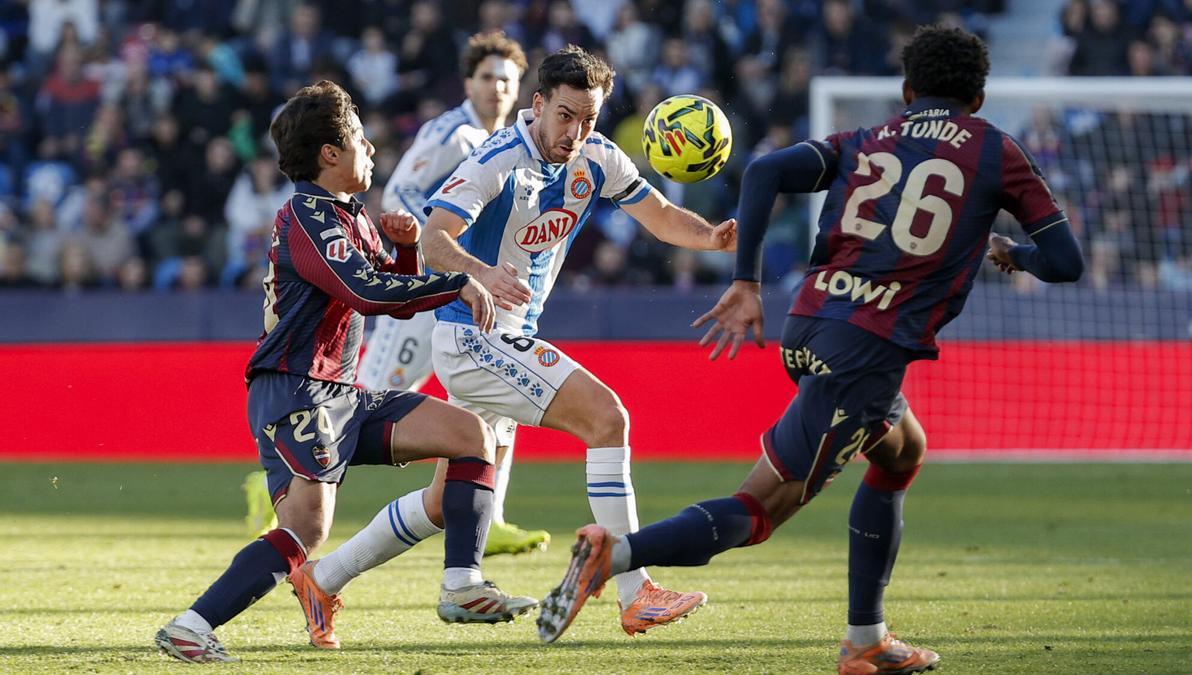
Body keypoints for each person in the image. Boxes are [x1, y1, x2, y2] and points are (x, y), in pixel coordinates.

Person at [536, 25, 1085, 675]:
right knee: (759, 510)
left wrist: (746, 282)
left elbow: (766, 169)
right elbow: (1065, 261)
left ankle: (867, 637)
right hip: (866, 352)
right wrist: (1013, 251)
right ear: (979, 98)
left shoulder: (870, 138)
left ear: (908, 91)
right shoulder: (996, 149)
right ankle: (616, 555)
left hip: (809, 323)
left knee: (902, 451)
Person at [154, 81, 536, 664]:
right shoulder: (307, 217)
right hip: (295, 390)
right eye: (361, 138)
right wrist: (457, 280)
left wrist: (405, 252)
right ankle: (191, 626)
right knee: (306, 532)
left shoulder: (347, 216)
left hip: (340, 392)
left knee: (471, 435)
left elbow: (394, 293)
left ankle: (462, 584)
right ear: (330, 153)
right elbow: (366, 292)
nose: (372, 149)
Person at [415, 44, 736, 637]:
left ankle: (325, 576)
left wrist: (712, 238)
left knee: (442, 501)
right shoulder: (498, 158)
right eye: (565, 116)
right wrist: (481, 273)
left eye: (589, 119)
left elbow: (661, 216)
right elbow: (431, 240)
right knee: (607, 418)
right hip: (474, 335)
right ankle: (635, 591)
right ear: (538, 104)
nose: (576, 132)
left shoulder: (598, 157)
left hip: (508, 336)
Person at [355, 31, 551, 559]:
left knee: (498, 392)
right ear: (468, 83)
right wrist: (437, 249)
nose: (496, 88)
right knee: (371, 401)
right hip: (427, 288)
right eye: (486, 77)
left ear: (519, 88)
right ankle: (277, 481)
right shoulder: (451, 133)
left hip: (473, 291)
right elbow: (399, 191)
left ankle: (494, 516)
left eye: (506, 79)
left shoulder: (515, 144)